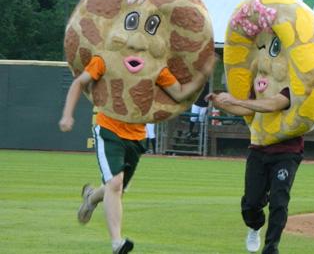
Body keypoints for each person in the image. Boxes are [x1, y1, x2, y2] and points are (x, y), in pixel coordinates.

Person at [59, 56, 213, 254]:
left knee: (115, 189)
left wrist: (203, 74)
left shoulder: (155, 66)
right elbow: (79, 82)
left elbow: (180, 92)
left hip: (136, 137)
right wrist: (67, 114)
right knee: (115, 184)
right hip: (108, 129)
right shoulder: (106, 58)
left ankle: (91, 198)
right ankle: (117, 243)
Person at [207, 88, 303, 254]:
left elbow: (273, 105)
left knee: (279, 201)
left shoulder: (292, 85)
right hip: (259, 148)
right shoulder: (260, 79)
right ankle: (255, 226)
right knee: (251, 202)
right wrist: (222, 104)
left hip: (287, 151)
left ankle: (271, 248)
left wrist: (234, 99)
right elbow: (248, 108)